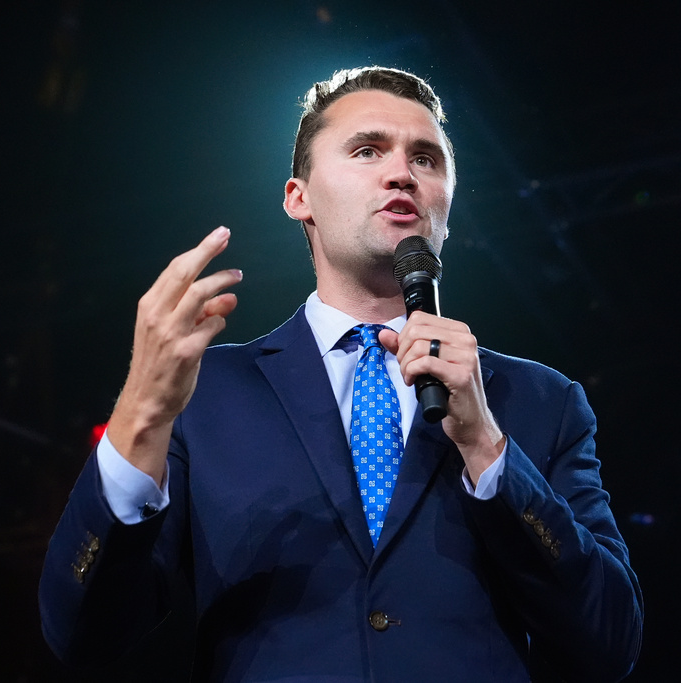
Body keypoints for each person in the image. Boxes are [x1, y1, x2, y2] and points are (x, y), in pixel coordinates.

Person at [39, 66, 643, 682]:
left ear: (446, 208)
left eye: (427, 160)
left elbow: (610, 641)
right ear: (299, 197)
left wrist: (488, 450)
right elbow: (82, 633)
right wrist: (140, 415)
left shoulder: (540, 401)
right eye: (366, 150)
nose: (403, 172)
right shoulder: (207, 392)